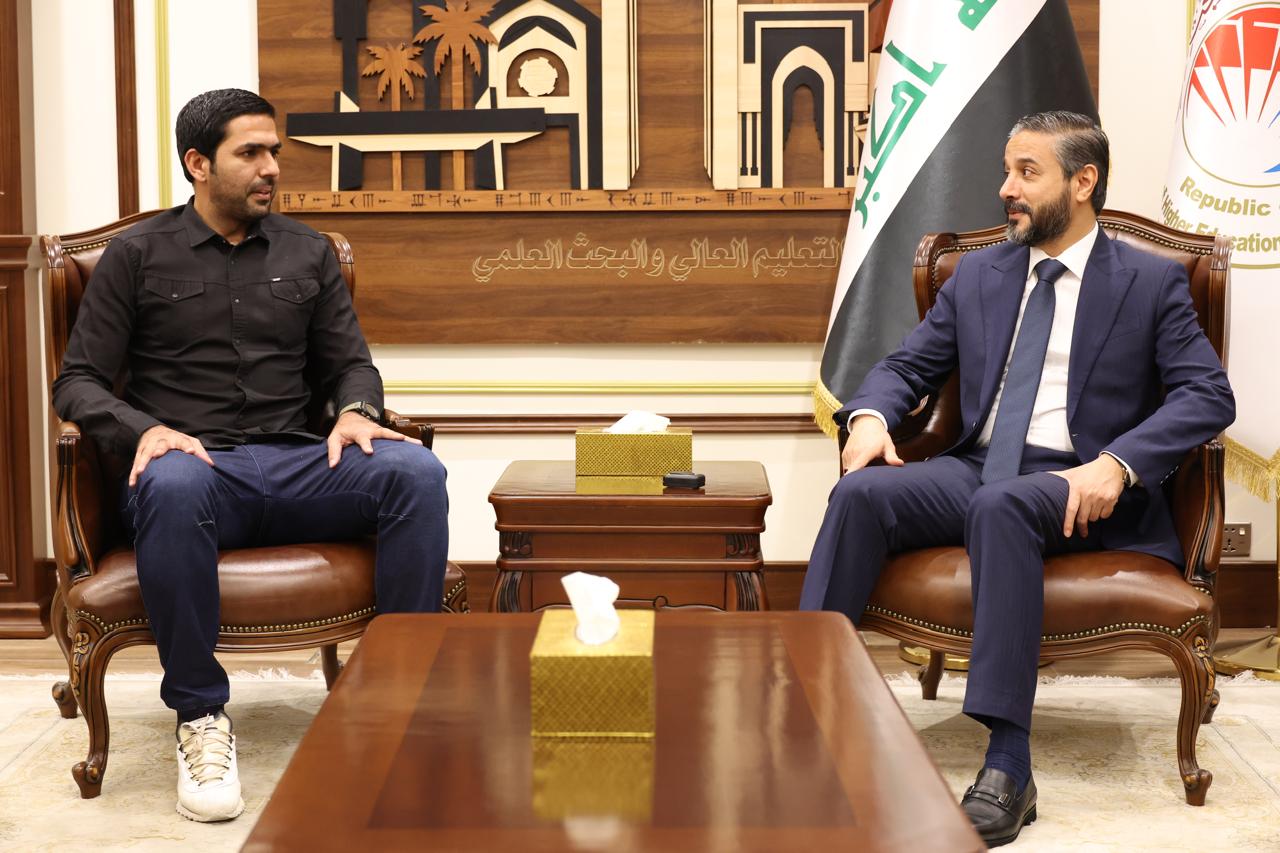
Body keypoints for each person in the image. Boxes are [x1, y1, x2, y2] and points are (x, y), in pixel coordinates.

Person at [800, 111, 1234, 847]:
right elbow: (907, 366)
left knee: (1002, 506)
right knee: (861, 492)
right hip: (978, 467)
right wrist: (869, 417)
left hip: (1081, 483)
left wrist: (1117, 463)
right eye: (1007, 171)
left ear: (1083, 181)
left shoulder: (1150, 282)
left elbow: (1207, 395)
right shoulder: (981, 274)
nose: (1007, 188)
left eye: (1027, 172)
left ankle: (1008, 765)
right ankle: (808, 718)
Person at [52, 88, 449, 823]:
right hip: (197, 471)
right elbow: (75, 382)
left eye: (274, 152)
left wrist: (356, 412)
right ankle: (200, 717)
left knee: (415, 472)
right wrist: (145, 430)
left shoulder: (308, 251)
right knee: (172, 483)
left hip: (301, 465)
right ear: (198, 163)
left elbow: (350, 365)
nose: (271, 167)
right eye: (251, 152)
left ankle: (401, 697)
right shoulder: (137, 256)